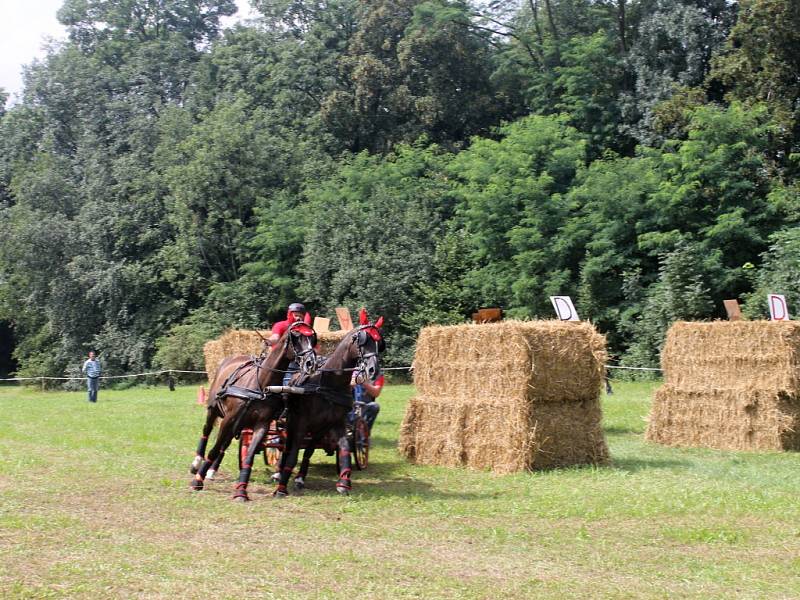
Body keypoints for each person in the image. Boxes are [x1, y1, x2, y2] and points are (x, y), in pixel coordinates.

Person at [268, 302, 309, 385]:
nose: (298, 318)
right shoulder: (280, 325)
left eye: (301, 316)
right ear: (290, 314)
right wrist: (269, 341)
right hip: (280, 360)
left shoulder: (305, 329)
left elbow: (314, 347)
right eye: (296, 315)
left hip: (298, 361)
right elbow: (275, 337)